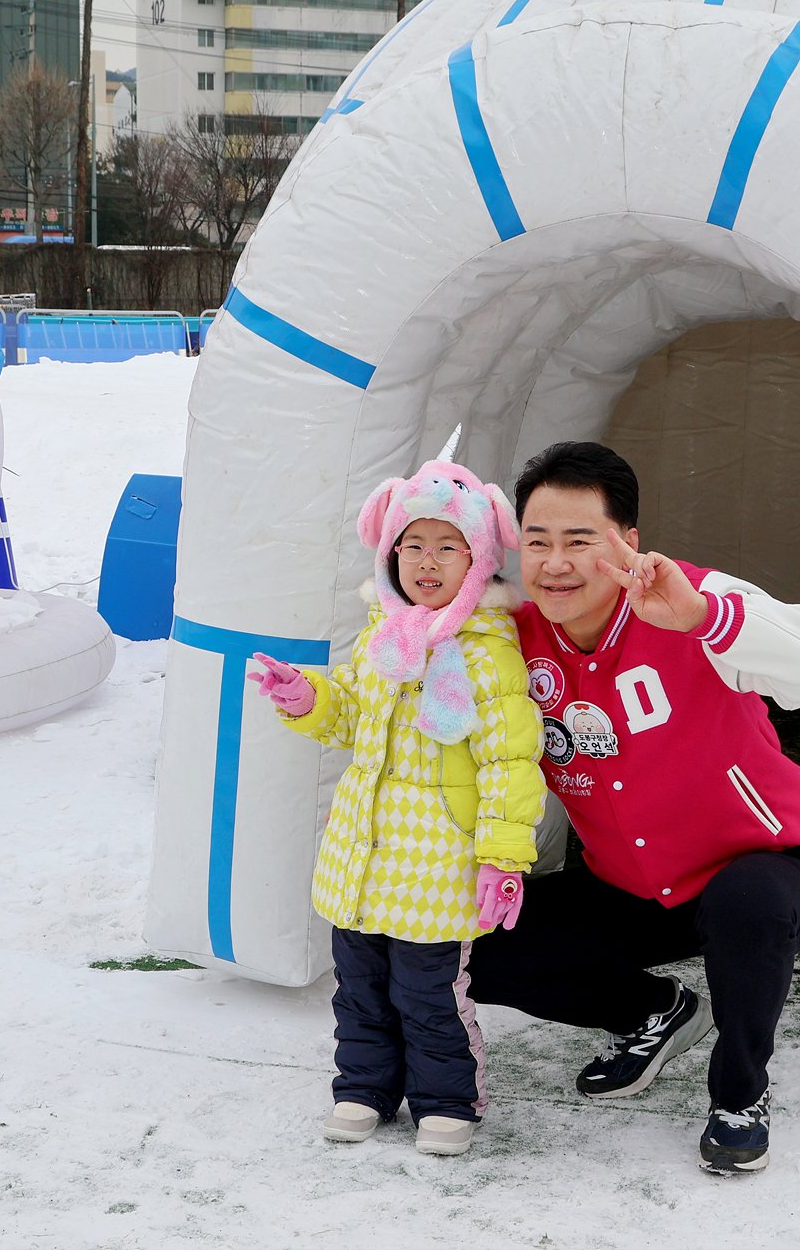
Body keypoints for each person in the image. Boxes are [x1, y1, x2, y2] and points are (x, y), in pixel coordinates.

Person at [467, 441, 800, 1175]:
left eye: (580, 540)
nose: (556, 563)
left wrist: (706, 617)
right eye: (538, 541)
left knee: (746, 904)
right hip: (629, 886)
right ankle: (655, 1009)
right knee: (478, 943)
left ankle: (739, 1096)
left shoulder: (689, 598)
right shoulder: (509, 637)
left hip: (763, 872)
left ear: (628, 540)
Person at [248, 459, 544, 1156]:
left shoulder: (488, 654)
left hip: (437, 869)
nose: (427, 561)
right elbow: (352, 714)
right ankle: (364, 1087)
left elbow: (509, 763)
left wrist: (502, 857)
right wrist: (308, 697)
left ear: (478, 560)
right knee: (359, 988)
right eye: (413, 545)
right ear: (390, 552)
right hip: (363, 856)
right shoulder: (383, 635)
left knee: (429, 994)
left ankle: (445, 1099)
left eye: (447, 546)